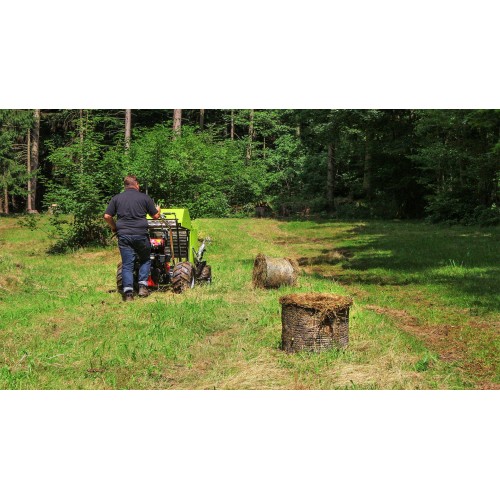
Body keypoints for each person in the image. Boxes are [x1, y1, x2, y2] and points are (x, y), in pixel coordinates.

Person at [104, 175, 160, 301]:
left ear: (125, 186)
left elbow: (107, 216)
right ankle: (142, 287)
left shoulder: (117, 198)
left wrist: (114, 227)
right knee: (145, 259)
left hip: (124, 235)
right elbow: (155, 216)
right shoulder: (144, 197)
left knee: (127, 264)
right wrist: (158, 210)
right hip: (141, 234)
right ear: (137, 184)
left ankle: (128, 293)